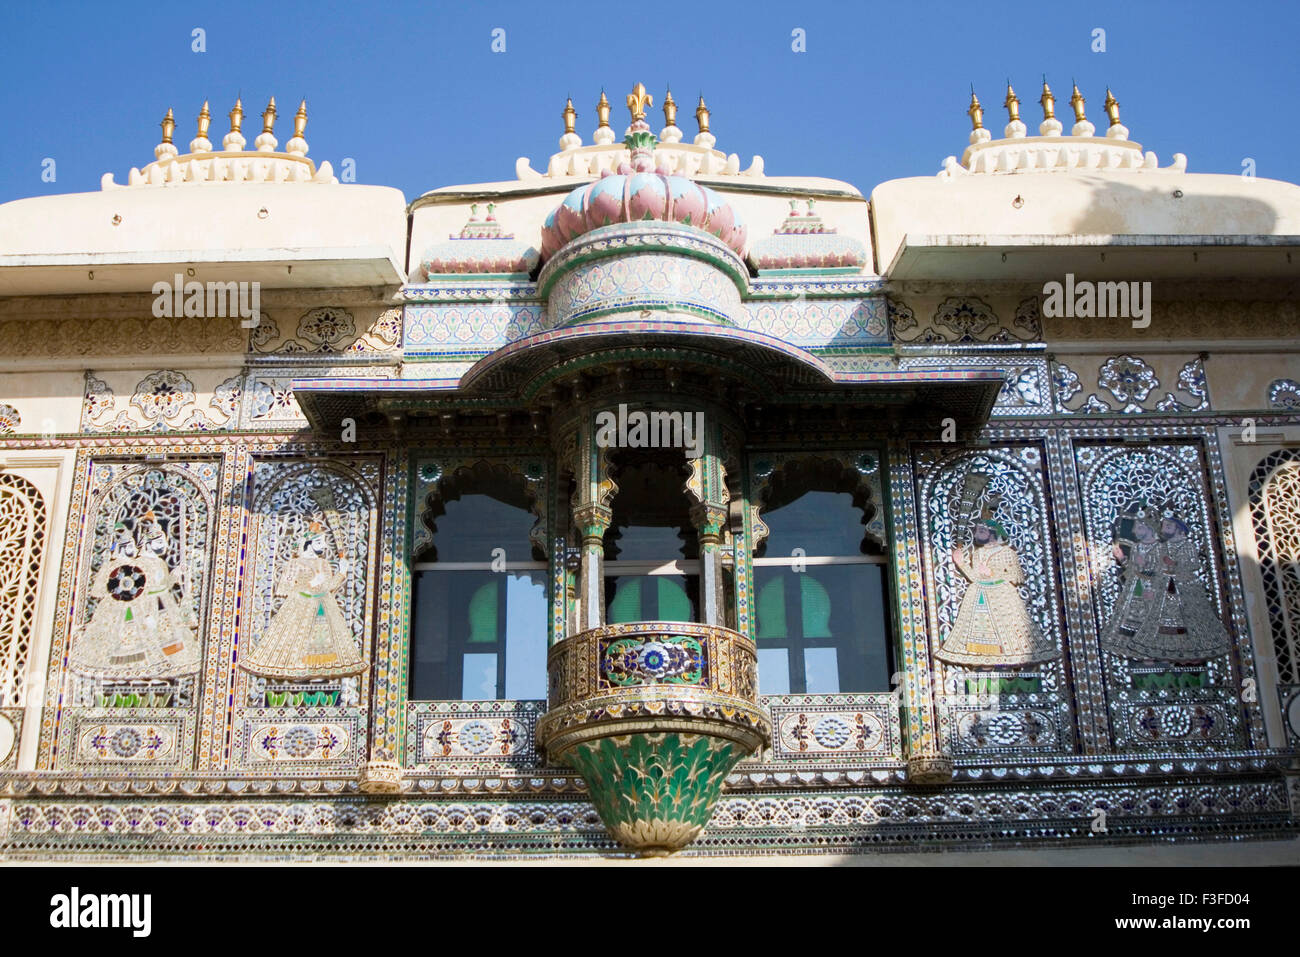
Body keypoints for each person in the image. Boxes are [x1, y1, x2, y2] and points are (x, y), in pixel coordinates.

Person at [70, 512, 199, 679]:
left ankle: (168, 665)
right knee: (139, 642)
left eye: (163, 542)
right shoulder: (138, 564)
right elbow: (134, 587)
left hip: (163, 604)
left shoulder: (160, 562)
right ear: (147, 543)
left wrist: (176, 576)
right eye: (159, 542)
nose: (163, 546)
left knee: (170, 640)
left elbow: (164, 585)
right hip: (143, 607)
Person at [242, 521, 363, 679]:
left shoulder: (323, 563)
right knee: (297, 641)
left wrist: (341, 572)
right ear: (308, 543)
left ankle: (319, 674)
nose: (324, 546)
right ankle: (295, 672)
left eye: (324, 542)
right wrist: (310, 584)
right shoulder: (295, 563)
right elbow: (284, 588)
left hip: (322, 606)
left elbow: (328, 587)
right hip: (300, 606)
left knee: (322, 643)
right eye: (319, 542)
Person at [936, 517, 1056, 666]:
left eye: (981, 531)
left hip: (1001, 596)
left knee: (1008, 631)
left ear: (992, 533)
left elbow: (1017, 576)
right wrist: (961, 563)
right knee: (980, 629)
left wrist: (992, 573)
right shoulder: (979, 553)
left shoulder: (1006, 552)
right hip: (980, 593)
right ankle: (982, 659)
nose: (977, 535)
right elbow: (974, 577)